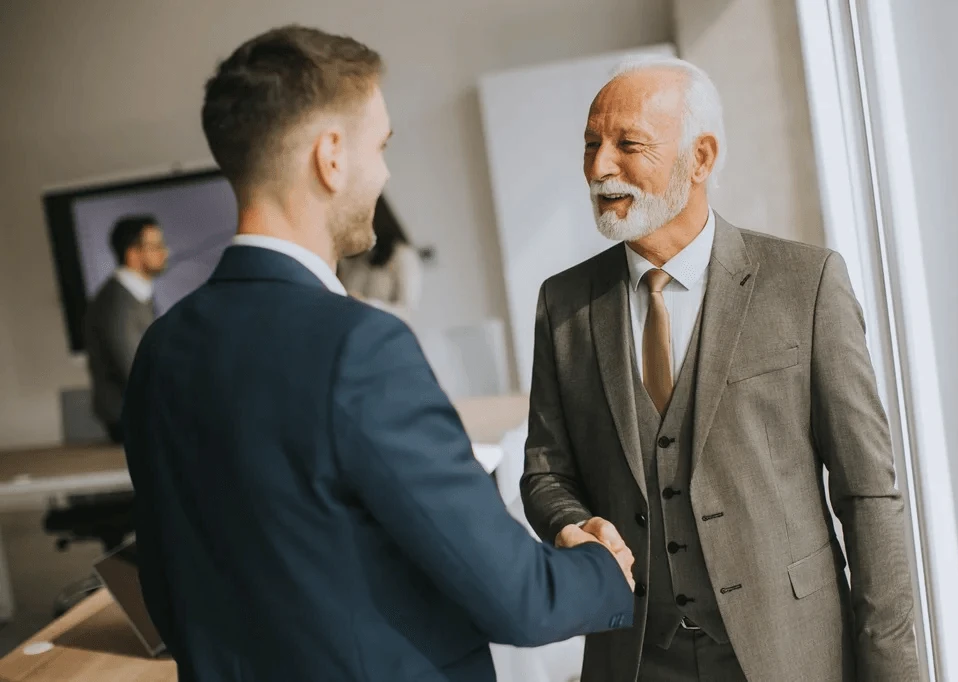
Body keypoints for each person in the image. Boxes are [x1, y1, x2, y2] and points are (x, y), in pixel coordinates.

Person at [121, 25, 635, 682]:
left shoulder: (161, 349)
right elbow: (521, 602)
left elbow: (169, 594)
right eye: (381, 146)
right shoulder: (359, 347)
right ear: (331, 157)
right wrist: (605, 570)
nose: (386, 171)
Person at [521, 58, 920, 682]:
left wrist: (894, 672)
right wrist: (571, 524)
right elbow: (545, 471)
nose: (599, 168)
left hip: (792, 656)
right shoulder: (563, 303)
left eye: (628, 145)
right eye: (592, 145)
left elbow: (868, 495)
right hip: (633, 659)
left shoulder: (805, 284)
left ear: (699, 158)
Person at [82, 215, 167, 443]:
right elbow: (134, 370)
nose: (164, 252)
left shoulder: (136, 296)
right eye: (156, 246)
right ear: (133, 253)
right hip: (133, 420)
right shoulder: (116, 303)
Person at [337, 194, 422, 320]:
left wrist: (366, 304)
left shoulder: (402, 255)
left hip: (380, 332)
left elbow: (407, 312)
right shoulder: (350, 258)